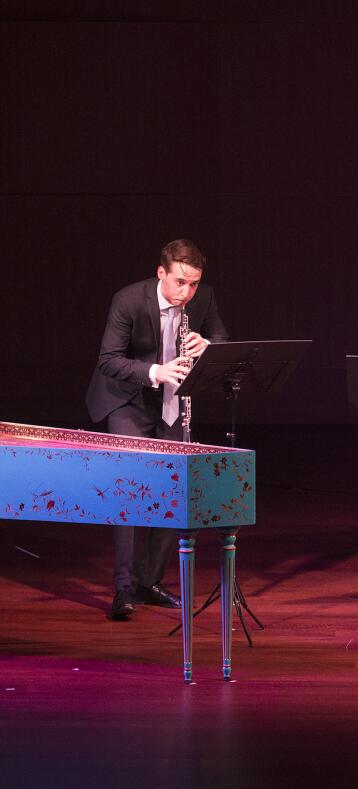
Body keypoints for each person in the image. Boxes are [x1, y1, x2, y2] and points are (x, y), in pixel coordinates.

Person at [85, 239, 229, 620]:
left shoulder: (203, 298)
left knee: (172, 489)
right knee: (128, 488)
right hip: (128, 398)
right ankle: (123, 588)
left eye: (194, 284)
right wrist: (155, 372)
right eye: (180, 282)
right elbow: (108, 360)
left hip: (171, 403)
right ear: (161, 273)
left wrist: (207, 345)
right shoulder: (128, 300)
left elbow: (223, 341)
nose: (187, 292)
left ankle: (149, 582)